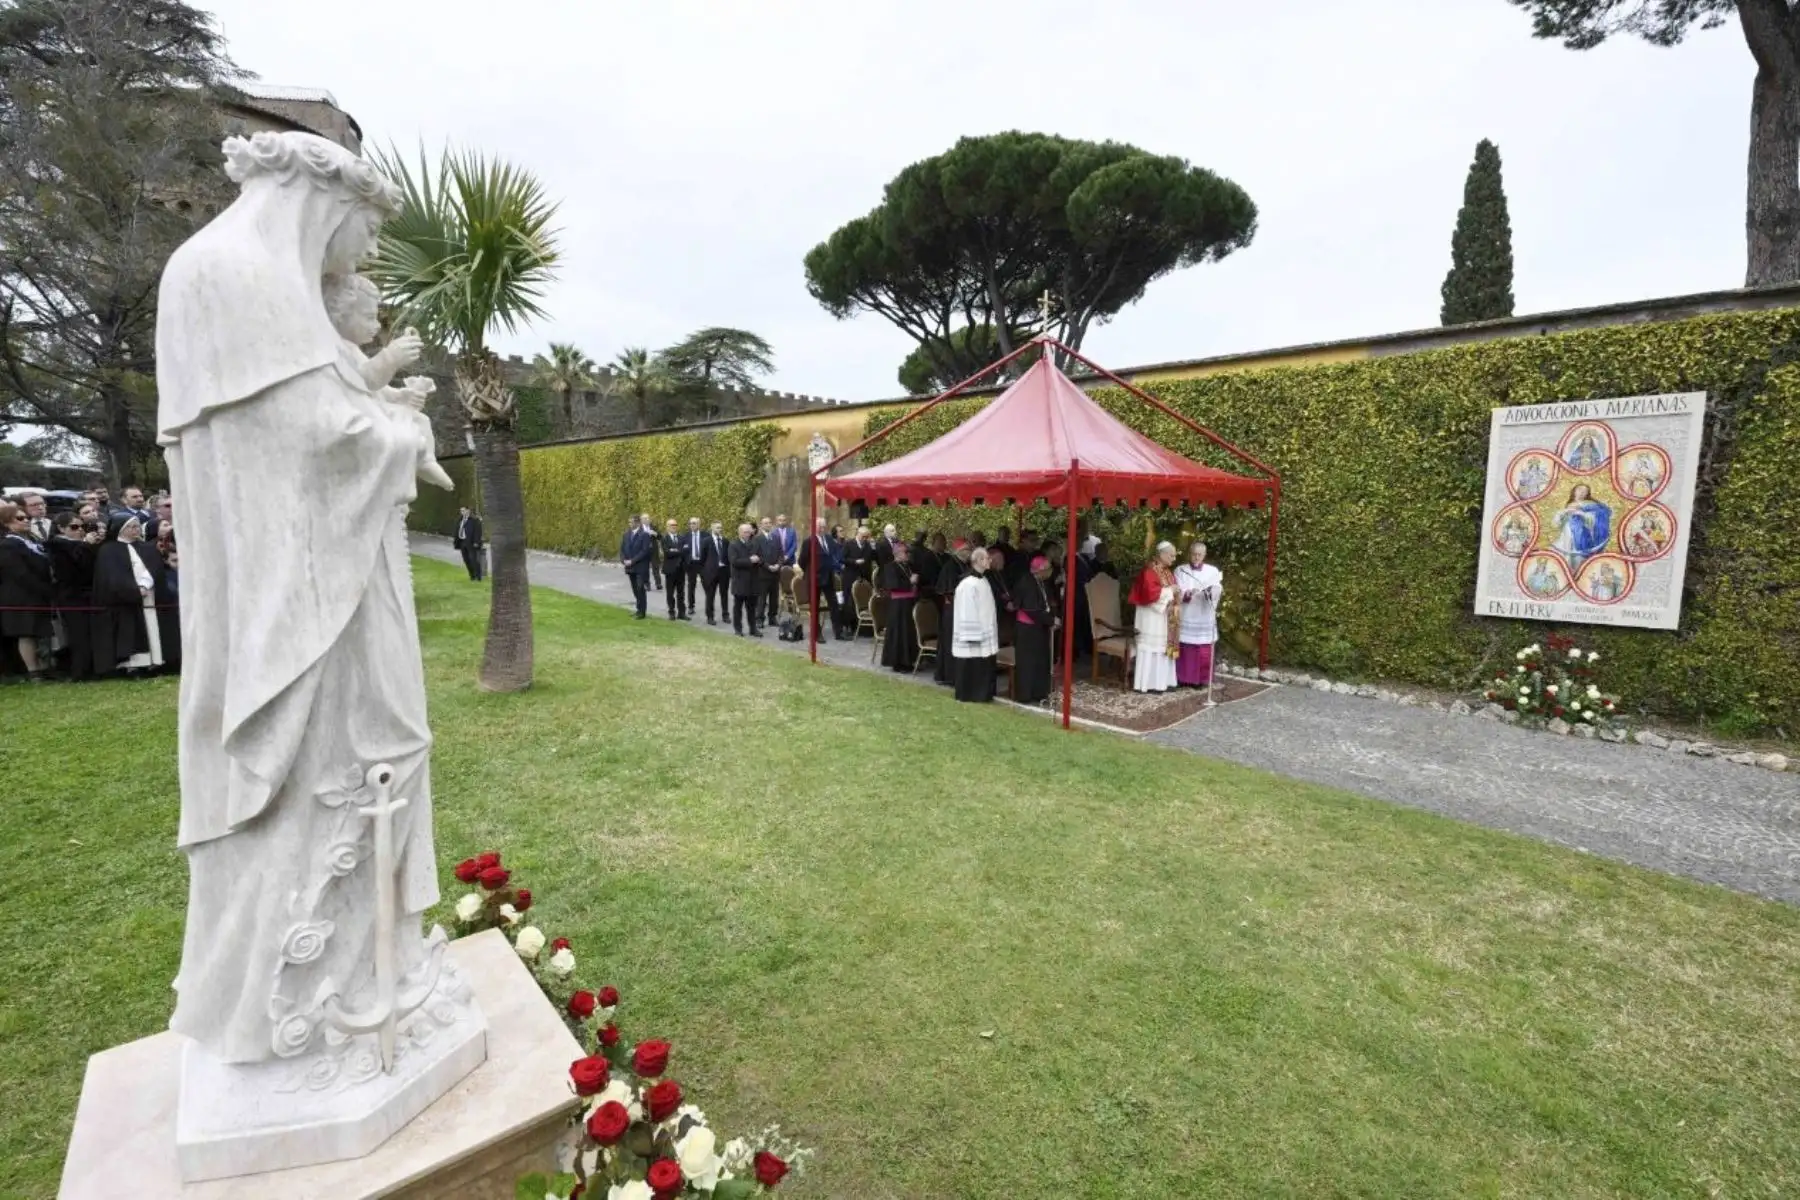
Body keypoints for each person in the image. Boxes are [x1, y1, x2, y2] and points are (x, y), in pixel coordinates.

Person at [91, 514, 167, 678]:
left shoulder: (147, 548)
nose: (136, 530)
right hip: (123, 601)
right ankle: (133, 666)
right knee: (130, 631)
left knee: (151, 627)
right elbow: (112, 576)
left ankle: (154, 662)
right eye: (131, 527)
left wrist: (145, 585)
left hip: (149, 595)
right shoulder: (108, 550)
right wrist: (132, 590)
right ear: (120, 529)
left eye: (137, 526)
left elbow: (155, 569)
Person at [0, 502, 54, 682]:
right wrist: (44, 589)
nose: (26, 521)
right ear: (7, 522)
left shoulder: (32, 541)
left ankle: (45, 667)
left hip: (38, 594)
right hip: (20, 596)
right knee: (26, 633)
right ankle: (33, 671)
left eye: (27, 518)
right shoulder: (8, 544)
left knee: (40, 631)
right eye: (20, 518)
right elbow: (18, 573)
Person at [48, 510, 99, 680]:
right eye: (74, 527)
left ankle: (91, 668)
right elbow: (73, 570)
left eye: (82, 526)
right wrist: (85, 545)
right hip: (72, 596)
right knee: (79, 635)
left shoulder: (76, 545)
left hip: (85, 594)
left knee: (89, 633)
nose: (80, 530)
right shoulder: (57, 545)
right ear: (61, 528)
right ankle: (80, 671)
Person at [1128, 542, 1180, 693]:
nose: (1174, 558)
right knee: (1152, 648)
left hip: (1164, 617)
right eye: (1171, 555)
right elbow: (1150, 594)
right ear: (1162, 554)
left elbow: (1170, 591)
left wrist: (1176, 592)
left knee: (1163, 648)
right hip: (1151, 617)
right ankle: (1148, 684)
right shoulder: (1149, 570)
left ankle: (1164, 682)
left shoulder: (1167, 571)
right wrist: (1170, 591)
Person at [950, 547, 999, 703]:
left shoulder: (983, 580)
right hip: (974, 632)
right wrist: (972, 634)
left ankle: (982, 694)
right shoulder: (968, 584)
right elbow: (967, 610)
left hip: (985, 628)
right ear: (979, 560)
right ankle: (969, 694)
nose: (990, 560)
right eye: (987, 558)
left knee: (982, 663)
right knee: (971, 661)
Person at [1173, 541, 1223, 691]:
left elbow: (1218, 589)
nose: (1196, 557)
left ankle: (1201, 679)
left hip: (1203, 614)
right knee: (1185, 647)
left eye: (1199, 555)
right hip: (1187, 613)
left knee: (1202, 649)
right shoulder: (1181, 570)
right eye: (1194, 554)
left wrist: (1210, 592)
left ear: (1204, 555)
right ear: (1190, 554)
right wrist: (1187, 593)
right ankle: (1183, 678)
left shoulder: (1212, 571)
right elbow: (1177, 590)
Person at [1012, 554, 1058, 704]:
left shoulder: (1040, 581)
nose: (1050, 572)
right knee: (1028, 663)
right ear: (1040, 570)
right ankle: (1025, 695)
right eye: (1048, 569)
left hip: (1038, 627)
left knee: (1040, 661)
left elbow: (1046, 602)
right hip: (1027, 629)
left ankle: (1039, 692)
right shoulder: (1027, 583)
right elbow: (1031, 609)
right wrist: (1051, 620)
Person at [932, 539, 972, 686]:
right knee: (950, 643)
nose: (969, 553)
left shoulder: (966, 565)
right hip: (952, 611)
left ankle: (960, 674)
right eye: (967, 550)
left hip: (962, 610)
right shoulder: (949, 567)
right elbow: (948, 590)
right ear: (959, 551)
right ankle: (949, 676)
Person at [796, 516, 841, 642]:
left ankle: (838, 631)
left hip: (828, 577)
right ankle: (816, 633)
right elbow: (802, 561)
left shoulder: (828, 539)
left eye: (823, 526)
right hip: (814, 579)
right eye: (819, 526)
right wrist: (810, 571)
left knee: (834, 604)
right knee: (815, 607)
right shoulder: (808, 541)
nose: (822, 529)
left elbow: (832, 554)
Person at [878, 539, 920, 672]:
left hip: (909, 603)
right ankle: (898, 663)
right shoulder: (890, 567)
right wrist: (910, 581)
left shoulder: (908, 566)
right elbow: (893, 585)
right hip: (898, 605)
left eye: (907, 552)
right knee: (900, 634)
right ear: (897, 554)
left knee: (908, 633)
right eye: (905, 552)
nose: (907, 555)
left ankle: (909, 660)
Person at [1551, 484, 1611, 573]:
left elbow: (1595, 518)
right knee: (1564, 558)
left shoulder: (1590, 505)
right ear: (1574, 490)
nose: (1582, 492)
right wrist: (1563, 513)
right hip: (1566, 534)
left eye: (1585, 491)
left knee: (1578, 561)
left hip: (1581, 534)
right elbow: (1556, 524)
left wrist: (1582, 514)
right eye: (1579, 489)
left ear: (1587, 494)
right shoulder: (1568, 504)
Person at [728, 522, 764, 637]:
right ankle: (738, 629)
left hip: (753, 581)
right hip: (740, 581)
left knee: (752, 608)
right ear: (739, 533)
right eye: (745, 532)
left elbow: (762, 558)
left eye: (749, 532)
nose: (748, 534)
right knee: (738, 608)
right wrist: (750, 560)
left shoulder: (755, 543)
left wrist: (759, 560)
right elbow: (734, 561)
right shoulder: (734, 545)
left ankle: (753, 629)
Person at [619, 514, 654, 619]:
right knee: (635, 589)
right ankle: (638, 609)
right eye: (629, 522)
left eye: (632, 522)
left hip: (640, 567)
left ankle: (642, 612)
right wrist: (623, 560)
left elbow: (644, 551)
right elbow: (622, 549)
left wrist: (632, 561)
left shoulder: (644, 535)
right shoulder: (626, 534)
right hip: (630, 567)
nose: (630, 524)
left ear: (638, 523)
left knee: (640, 588)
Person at [699, 519, 731, 625]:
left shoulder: (725, 541)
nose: (719, 529)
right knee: (710, 595)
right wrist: (703, 573)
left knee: (724, 594)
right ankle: (710, 616)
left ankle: (725, 614)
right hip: (711, 573)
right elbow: (702, 558)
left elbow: (728, 557)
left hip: (723, 572)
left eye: (721, 527)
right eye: (717, 527)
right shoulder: (706, 541)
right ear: (712, 528)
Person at [659, 518, 689, 620]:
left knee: (681, 593)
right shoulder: (665, 539)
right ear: (667, 527)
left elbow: (686, 550)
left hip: (681, 569)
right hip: (670, 570)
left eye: (675, 525)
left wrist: (675, 550)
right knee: (670, 592)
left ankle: (682, 613)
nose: (674, 527)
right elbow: (667, 553)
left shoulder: (682, 537)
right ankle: (671, 612)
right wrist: (679, 550)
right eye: (672, 525)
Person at [757, 516, 784, 627]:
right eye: (765, 523)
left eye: (769, 523)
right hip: (763, 573)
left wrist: (778, 564)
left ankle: (772, 617)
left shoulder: (776, 537)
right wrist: (768, 566)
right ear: (761, 525)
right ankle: (759, 619)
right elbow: (757, 556)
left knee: (774, 598)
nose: (768, 525)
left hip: (775, 573)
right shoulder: (757, 539)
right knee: (762, 598)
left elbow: (781, 554)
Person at [453, 506, 486, 581]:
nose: (462, 512)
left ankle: (478, 576)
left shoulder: (474, 520)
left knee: (473, 560)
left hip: (471, 542)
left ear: (468, 511)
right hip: (462, 542)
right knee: (466, 560)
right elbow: (457, 530)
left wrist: (476, 542)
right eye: (461, 511)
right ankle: (472, 575)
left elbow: (478, 531)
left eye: (464, 510)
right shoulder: (460, 520)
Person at [683, 517, 706, 617]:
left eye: (694, 523)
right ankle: (691, 606)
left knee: (707, 585)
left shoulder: (706, 535)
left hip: (702, 564)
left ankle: (709, 606)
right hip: (691, 564)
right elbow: (683, 551)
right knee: (691, 586)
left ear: (699, 524)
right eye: (691, 523)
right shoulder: (685, 536)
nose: (692, 525)